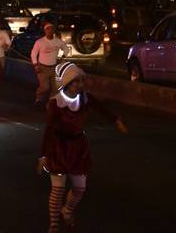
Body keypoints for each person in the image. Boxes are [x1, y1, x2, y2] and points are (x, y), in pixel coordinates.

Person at [37, 62, 127, 232]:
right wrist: (43, 156)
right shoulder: (56, 103)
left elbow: (102, 108)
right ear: (68, 83)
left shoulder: (85, 98)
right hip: (59, 148)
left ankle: (67, 211)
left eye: (81, 81)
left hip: (78, 148)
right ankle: (54, 224)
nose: (80, 85)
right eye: (76, 82)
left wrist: (116, 120)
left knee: (80, 188)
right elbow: (49, 130)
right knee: (58, 188)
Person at [31, 22, 72, 106]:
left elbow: (66, 49)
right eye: (48, 29)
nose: (50, 31)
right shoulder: (40, 42)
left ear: (53, 30)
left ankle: (50, 104)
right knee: (45, 87)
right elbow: (33, 53)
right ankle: (38, 98)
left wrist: (62, 57)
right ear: (45, 31)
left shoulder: (57, 41)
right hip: (42, 67)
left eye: (51, 29)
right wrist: (35, 65)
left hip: (54, 67)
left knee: (55, 88)